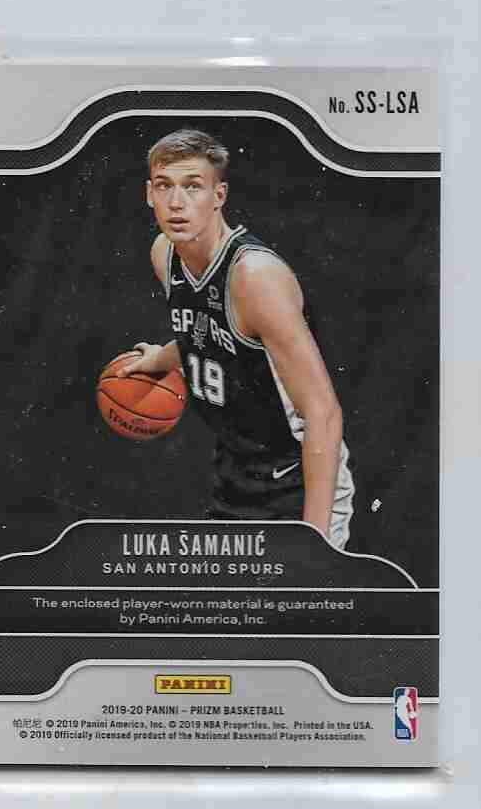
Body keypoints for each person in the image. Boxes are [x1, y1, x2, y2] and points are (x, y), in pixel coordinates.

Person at [118, 129, 354, 547]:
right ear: (149, 194)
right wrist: (162, 358)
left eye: (193, 186)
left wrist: (314, 544)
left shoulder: (254, 277)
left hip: (300, 475)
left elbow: (323, 414)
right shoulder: (165, 254)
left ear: (219, 195)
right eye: (164, 186)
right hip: (237, 471)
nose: (176, 202)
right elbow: (209, 335)